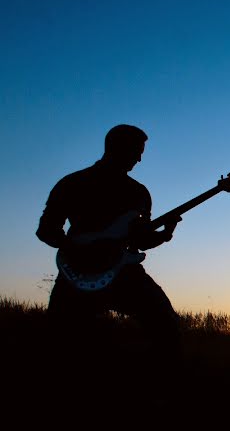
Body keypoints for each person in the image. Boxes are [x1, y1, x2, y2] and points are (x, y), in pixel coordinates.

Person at [36, 124, 183, 369]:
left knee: (166, 325)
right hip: (76, 274)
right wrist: (78, 248)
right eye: (136, 150)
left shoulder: (139, 193)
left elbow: (138, 241)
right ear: (116, 148)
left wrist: (166, 233)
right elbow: (46, 230)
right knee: (58, 344)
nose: (139, 158)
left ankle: (155, 387)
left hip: (124, 272)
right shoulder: (73, 183)